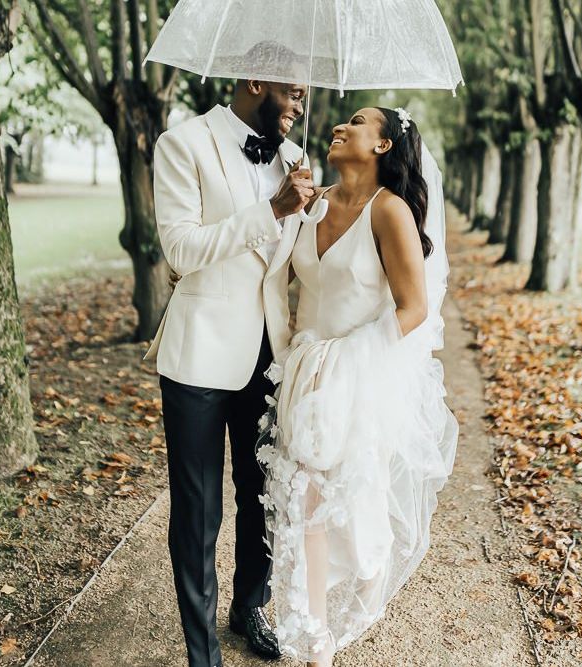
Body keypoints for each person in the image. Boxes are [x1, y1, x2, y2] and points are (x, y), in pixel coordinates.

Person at [255, 107, 459, 666]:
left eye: (359, 122)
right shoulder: (313, 204)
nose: (340, 127)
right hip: (302, 371)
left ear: (384, 147)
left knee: (334, 500)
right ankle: (314, 633)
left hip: (357, 373)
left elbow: (414, 308)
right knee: (303, 500)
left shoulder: (389, 211)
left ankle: (358, 579)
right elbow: (284, 274)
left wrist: (350, 360)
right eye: (342, 119)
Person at [144, 75, 315, 667]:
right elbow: (181, 251)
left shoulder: (294, 159)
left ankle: (250, 606)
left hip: (270, 347)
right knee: (198, 509)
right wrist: (272, 209)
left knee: (262, 492)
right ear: (256, 81)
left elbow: (285, 264)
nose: (301, 107)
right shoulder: (183, 143)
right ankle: (203, 652)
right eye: (295, 93)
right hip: (200, 352)